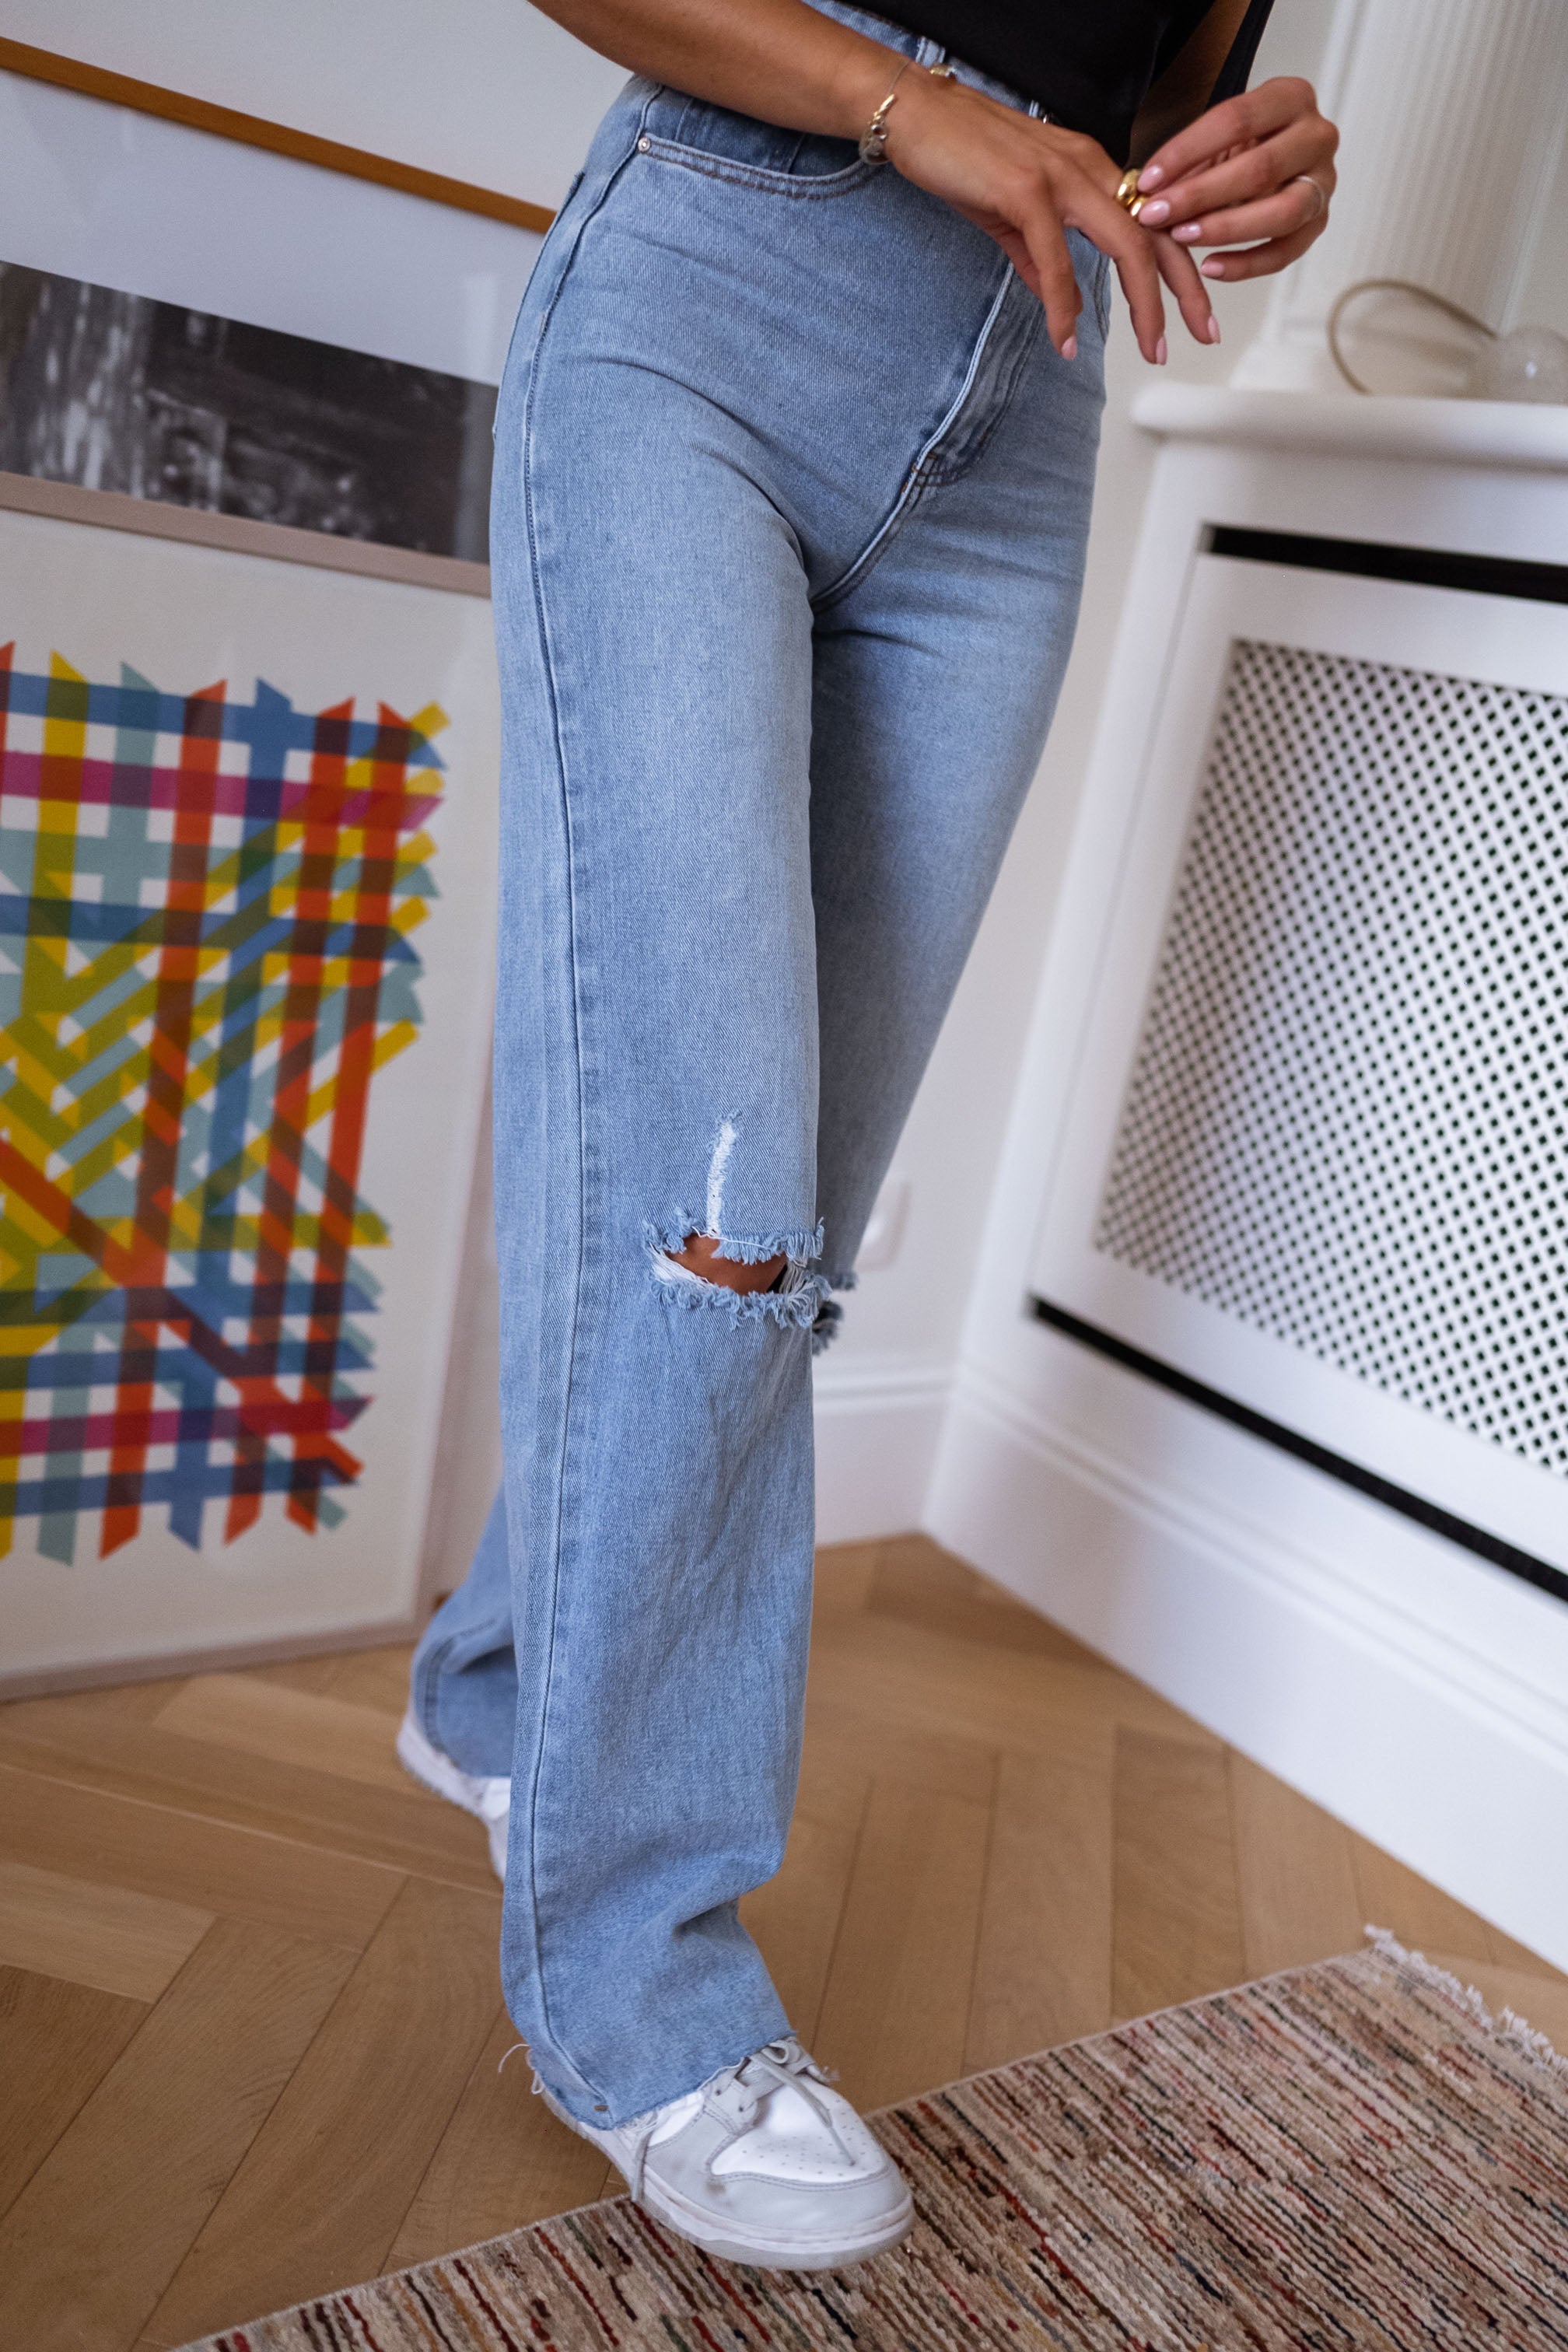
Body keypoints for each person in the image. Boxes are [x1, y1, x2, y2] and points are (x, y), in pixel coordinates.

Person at [398, 0, 1338, 2271]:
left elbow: (1167, 74)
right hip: (719, 296)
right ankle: (638, 1984)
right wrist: (920, 105)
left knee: (773, 1237)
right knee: (715, 1210)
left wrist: (1274, 146)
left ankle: (511, 1683)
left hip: (1027, 405)